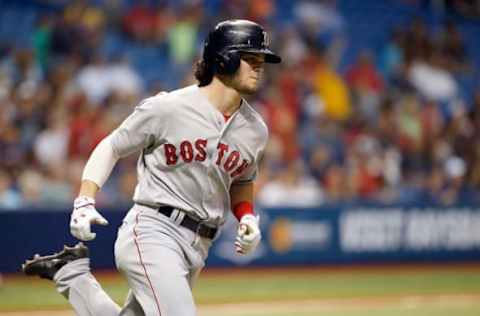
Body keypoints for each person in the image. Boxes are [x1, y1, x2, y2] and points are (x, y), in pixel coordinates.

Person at [22, 19, 281, 316]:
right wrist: (85, 198)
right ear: (224, 58)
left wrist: (246, 216)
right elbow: (112, 146)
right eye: (250, 58)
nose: (259, 66)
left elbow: (241, 180)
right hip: (153, 230)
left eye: (261, 59)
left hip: (199, 245)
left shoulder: (255, 129)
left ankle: (71, 275)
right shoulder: (168, 107)